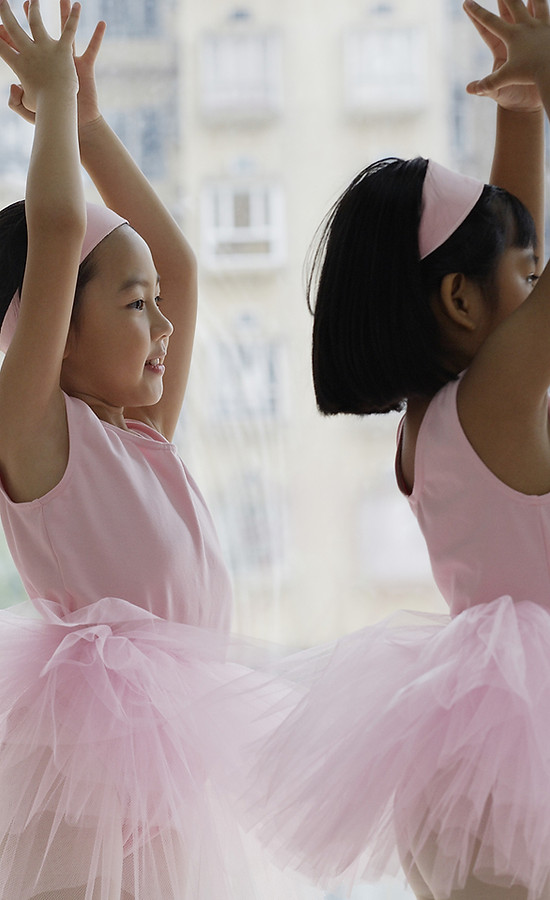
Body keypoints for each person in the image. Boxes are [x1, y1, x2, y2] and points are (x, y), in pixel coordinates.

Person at [0, 2, 323, 899]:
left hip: (170, 792)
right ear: (55, 325)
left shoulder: (139, 437)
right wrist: (56, 100)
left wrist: (93, 123)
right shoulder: (38, 436)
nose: (165, 324)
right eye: (135, 305)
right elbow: (59, 229)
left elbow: (177, 263)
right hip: (92, 800)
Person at [240, 1, 550, 899]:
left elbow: (516, 225)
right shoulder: (491, 404)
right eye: (527, 280)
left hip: (472, 762)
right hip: (511, 765)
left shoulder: (434, 420)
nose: (535, 290)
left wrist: (522, 102)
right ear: (460, 301)